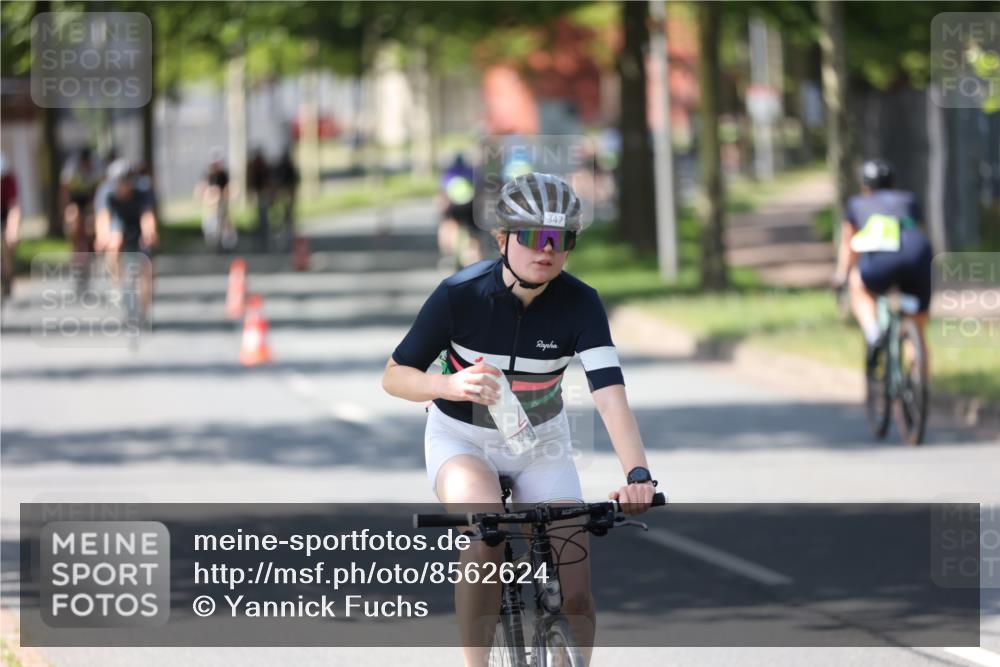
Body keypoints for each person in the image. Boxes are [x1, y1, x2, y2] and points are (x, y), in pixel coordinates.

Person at [382, 172, 659, 666]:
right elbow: (394, 376)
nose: (546, 250)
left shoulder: (581, 303)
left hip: (540, 444)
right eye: (532, 236)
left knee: (576, 590)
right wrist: (447, 385)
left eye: (560, 239)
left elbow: (610, 396)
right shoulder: (459, 294)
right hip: (462, 438)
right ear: (502, 239)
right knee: (485, 540)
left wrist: (638, 476)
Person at [833, 158, 933, 366]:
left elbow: (849, 245)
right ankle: (917, 368)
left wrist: (842, 275)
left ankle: (874, 334)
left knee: (857, 283)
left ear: (864, 187)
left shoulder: (856, 203)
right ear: (893, 184)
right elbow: (919, 230)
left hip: (882, 260)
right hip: (919, 253)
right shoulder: (909, 199)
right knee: (916, 322)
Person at [95, 159, 159, 324]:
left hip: (137, 225)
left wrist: (150, 233)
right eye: (119, 183)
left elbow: (147, 216)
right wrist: (102, 238)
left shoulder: (143, 189)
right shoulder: (106, 192)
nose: (122, 187)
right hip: (119, 223)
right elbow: (103, 218)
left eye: (126, 183)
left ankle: (144, 311)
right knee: (114, 243)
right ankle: (117, 282)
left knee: (147, 267)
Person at [60, 147, 103, 289]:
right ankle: (76, 248)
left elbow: (100, 192)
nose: (86, 165)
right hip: (75, 200)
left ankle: (91, 247)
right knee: (73, 220)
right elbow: (65, 192)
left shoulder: (97, 169)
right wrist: (65, 212)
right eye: (84, 163)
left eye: (87, 163)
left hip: (90, 200)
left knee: (92, 224)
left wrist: (97, 214)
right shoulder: (71, 170)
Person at [436, 153, 479, 268]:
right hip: (470, 205)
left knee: (448, 226)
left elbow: (442, 195)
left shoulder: (449, 173)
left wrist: (442, 209)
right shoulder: (472, 171)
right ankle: (474, 260)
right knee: (473, 235)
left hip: (454, 206)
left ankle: (448, 253)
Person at [195, 149, 237, 252]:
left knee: (225, 223)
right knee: (211, 225)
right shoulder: (207, 175)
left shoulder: (224, 175)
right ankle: (213, 243)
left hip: (222, 204)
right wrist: (209, 196)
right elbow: (201, 190)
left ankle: (226, 243)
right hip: (211, 206)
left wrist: (222, 196)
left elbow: (229, 189)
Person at [1, 152, 21, 304]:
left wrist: (12, 230)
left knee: (7, 241)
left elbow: (14, 207)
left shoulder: (8, 180)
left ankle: (8, 277)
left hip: (5, 214)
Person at [273, 148, 300, 251]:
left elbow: (295, 179)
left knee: (289, 211)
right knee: (283, 211)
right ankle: (283, 224)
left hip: (288, 190)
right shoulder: (282, 167)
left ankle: (289, 224)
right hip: (284, 190)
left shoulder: (289, 167)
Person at [247, 147, 272, 252]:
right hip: (259, 193)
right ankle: (260, 236)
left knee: (263, 216)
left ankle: (263, 236)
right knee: (260, 216)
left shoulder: (262, 166)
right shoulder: (255, 166)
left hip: (262, 193)